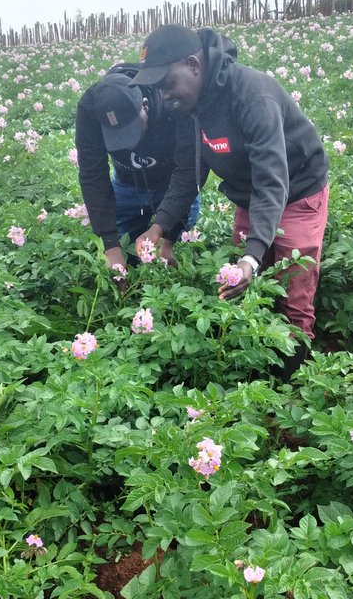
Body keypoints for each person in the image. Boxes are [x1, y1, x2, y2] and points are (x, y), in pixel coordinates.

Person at [132, 24, 329, 377]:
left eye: (167, 83)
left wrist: (252, 257)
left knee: (292, 290)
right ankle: (254, 374)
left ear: (194, 65)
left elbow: (272, 181)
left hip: (298, 191)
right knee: (239, 288)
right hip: (249, 195)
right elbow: (187, 171)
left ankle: (294, 383)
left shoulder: (252, 96)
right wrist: (160, 226)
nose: (164, 94)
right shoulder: (188, 106)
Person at [74, 66, 199, 273]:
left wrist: (168, 238)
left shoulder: (171, 99)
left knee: (181, 229)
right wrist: (111, 247)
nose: (127, 144)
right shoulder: (91, 109)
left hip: (171, 180)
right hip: (127, 181)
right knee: (124, 244)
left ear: (145, 106)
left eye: (131, 131)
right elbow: (92, 176)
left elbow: (188, 171)